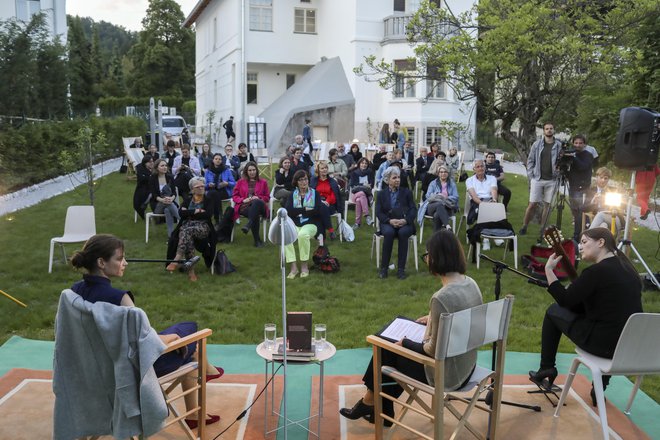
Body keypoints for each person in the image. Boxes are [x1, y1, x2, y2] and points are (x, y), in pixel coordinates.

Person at [69, 234, 223, 429]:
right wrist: (166, 338)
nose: (124, 263)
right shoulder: (120, 299)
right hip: (131, 373)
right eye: (119, 258)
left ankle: (205, 373)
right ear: (101, 262)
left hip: (92, 372)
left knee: (184, 330)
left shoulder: (72, 293)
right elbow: (144, 344)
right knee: (192, 337)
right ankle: (205, 377)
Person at [339, 230, 483, 425]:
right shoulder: (470, 283)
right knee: (390, 348)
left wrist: (405, 343)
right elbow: (461, 315)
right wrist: (432, 317)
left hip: (446, 374)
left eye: (428, 255)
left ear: (436, 259)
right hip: (467, 364)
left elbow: (432, 350)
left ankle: (373, 403)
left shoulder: (441, 297)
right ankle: (379, 406)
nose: (427, 260)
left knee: (385, 349)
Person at [529, 228, 643, 406]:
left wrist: (549, 271)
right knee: (615, 325)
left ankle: (546, 368)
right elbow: (605, 307)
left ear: (601, 242)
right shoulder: (629, 270)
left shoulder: (596, 273)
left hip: (601, 345)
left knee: (552, 311)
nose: (580, 247)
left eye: (584, 242)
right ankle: (600, 388)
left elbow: (565, 301)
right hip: (627, 349)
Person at [166, 177, 216, 282]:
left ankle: (177, 259)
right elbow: (181, 214)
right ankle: (191, 272)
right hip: (187, 227)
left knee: (186, 231)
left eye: (203, 186)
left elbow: (207, 214)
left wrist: (189, 213)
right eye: (198, 186)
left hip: (203, 227)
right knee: (189, 239)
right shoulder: (187, 200)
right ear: (192, 189)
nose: (201, 188)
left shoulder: (209, 200)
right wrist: (197, 211)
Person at [519, 122, 562, 235]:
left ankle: (542, 229)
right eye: (547, 129)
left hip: (552, 180)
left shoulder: (559, 145)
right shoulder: (537, 144)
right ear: (543, 131)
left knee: (547, 206)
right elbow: (530, 160)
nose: (549, 130)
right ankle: (524, 226)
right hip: (537, 179)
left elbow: (562, 161)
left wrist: (558, 171)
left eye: (551, 128)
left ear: (554, 130)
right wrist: (531, 174)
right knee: (532, 204)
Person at [376, 166, 417, 280]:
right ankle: (384, 269)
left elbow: (413, 209)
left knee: (403, 233)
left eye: (398, 177)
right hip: (388, 222)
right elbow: (378, 212)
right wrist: (389, 221)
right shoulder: (381, 194)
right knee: (388, 233)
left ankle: (401, 270)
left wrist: (405, 220)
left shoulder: (407, 192)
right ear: (387, 180)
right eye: (394, 178)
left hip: (405, 222)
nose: (397, 180)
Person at [284, 170, 322, 278]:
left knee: (302, 235)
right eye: (300, 180)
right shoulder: (293, 194)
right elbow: (289, 211)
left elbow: (318, 211)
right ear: (296, 182)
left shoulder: (315, 193)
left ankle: (304, 265)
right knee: (287, 235)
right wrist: (306, 209)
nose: (304, 182)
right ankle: (293, 267)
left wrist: (299, 210)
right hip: (296, 224)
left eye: (305, 179)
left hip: (311, 224)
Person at [232, 161, 269, 247]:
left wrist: (259, 198)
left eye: (254, 170)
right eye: (250, 170)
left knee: (256, 203)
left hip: (261, 206)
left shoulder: (263, 182)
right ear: (246, 171)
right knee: (254, 213)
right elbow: (234, 196)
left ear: (256, 171)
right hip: (245, 207)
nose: (252, 172)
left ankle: (249, 224)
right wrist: (243, 200)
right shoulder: (240, 182)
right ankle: (257, 241)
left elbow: (267, 197)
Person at [565, 134, 595, 240]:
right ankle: (578, 234)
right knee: (575, 212)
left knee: (583, 212)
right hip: (573, 186)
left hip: (583, 188)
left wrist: (573, 157)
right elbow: (567, 170)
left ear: (584, 144)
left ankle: (580, 235)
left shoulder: (588, 155)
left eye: (580, 143)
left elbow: (582, 167)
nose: (578, 145)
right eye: (576, 143)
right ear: (573, 143)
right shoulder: (570, 154)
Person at [418, 165, 458, 232]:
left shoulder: (452, 184)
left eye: (445, 172)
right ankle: (447, 226)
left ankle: (437, 238)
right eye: (441, 172)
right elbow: (428, 196)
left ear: (448, 173)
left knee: (437, 215)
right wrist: (437, 196)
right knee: (439, 204)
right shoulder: (433, 183)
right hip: (432, 206)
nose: (443, 174)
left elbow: (456, 197)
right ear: (438, 174)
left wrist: (446, 197)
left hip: (447, 207)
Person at [586, 167, 624, 235]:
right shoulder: (591, 190)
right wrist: (593, 202)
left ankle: (586, 238)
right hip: (599, 220)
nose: (603, 180)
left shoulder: (613, 191)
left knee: (600, 214)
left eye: (606, 178)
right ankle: (602, 245)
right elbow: (583, 208)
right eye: (601, 177)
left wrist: (606, 200)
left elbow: (621, 207)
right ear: (596, 177)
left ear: (608, 179)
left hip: (613, 218)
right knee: (603, 226)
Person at [310, 161, 342, 240]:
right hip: (317, 203)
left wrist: (327, 201)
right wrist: (320, 201)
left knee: (321, 209)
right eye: (322, 168)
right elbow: (311, 194)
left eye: (326, 168)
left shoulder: (332, 181)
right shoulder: (313, 180)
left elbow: (334, 195)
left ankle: (321, 236)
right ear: (318, 170)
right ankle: (330, 230)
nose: (324, 170)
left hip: (330, 205)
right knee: (321, 208)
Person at [149, 158, 180, 237]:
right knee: (168, 205)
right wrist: (163, 200)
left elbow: (174, 192)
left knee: (167, 209)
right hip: (157, 205)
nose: (165, 167)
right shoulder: (152, 178)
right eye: (162, 166)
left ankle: (171, 237)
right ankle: (182, 219)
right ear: (157, 168)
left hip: (169, 202)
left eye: (166, 165)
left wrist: (171, 199)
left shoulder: (170, 177)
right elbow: (154, 195)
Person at [205, 153, 236, 224]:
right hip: (211, 190)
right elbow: (204, 185)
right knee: (214, 194)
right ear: (213, 160)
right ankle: (219, 216)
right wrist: (209, 185)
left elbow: (234, 183)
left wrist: (227, 183)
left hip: (224, 191)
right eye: (216, 159)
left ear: (222, 161)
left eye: (220, 159)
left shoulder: (226, 170)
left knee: (214, 195)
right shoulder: (208, 171)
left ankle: (213, 217)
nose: (218, 160)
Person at [465, 159, 498, 224]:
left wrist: (494, 200)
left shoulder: (492, 178)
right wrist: (484, 205)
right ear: (474, 169)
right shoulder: (469, 180)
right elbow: (474, 197)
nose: (480, 168)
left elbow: (494, 190)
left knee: (496, 213)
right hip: (477, 202)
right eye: (478, 167)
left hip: (490, 201)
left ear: (485, 167)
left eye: (482, 166)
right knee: (484, 212)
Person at [349, 157, 375, 229]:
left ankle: (357, 223)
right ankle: (367, 215)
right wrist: (363, 185)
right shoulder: (354, 173)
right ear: (359, 164)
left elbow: (371, 185)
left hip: (367, 195)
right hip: (355, 194)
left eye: (366, 163)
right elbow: (352, 186)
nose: (364, 165)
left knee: (359, 199)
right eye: (362, 163)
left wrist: (362, 186)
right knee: (361, 193)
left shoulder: (370, 172)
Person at [133, 154, 154, 220]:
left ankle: (158, 214)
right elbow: (142, 179)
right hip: (142, 189)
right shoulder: (140, 169)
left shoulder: (154, 169)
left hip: (153, 188)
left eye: (152, 161)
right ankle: (144, 205)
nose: (151, 163)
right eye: (149, 162)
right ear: (145, 163)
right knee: (150, 195)